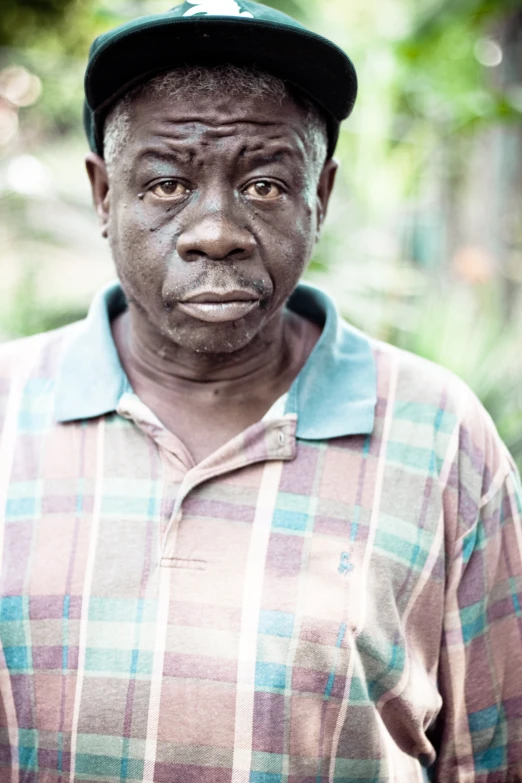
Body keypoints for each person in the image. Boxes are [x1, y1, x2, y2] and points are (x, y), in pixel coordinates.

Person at [0, 2, 521, 781]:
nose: (217, 229)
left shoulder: (440, 433)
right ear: (104, 195)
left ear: (324, 196)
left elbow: (496, 755)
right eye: (168, 183)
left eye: (268, 185)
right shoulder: (6, 410)